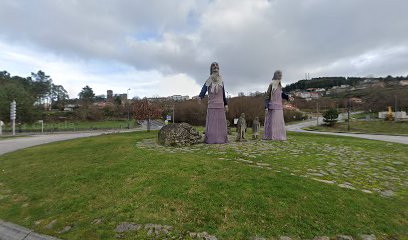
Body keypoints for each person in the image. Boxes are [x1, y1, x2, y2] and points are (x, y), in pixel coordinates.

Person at [198, 62, 229, 144]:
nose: (215, 67)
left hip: (220, 105)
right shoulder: (209, 79)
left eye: (217, 66)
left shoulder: (221, 80)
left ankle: (222, 139)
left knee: (221, 124)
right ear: (211, 69)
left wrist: (226, 104)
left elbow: (223, 93)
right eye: (213, 66)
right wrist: (200, 97)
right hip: (212, 105)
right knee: (212, 124)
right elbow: (204, 89)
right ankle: (211, 139)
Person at [263, 70, 293, 140]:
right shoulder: (272, 84)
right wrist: (266, 107)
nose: (281, 77)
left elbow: (281, 94)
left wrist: (288, 97)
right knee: (272, 123)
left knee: (279, 123)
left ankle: (279, 136)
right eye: (279, 75)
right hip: (272, 107)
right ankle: (270, 136)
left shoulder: (279, 85)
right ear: (276, 76)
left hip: (279, 107)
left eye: (281, 76)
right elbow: (267, 96)